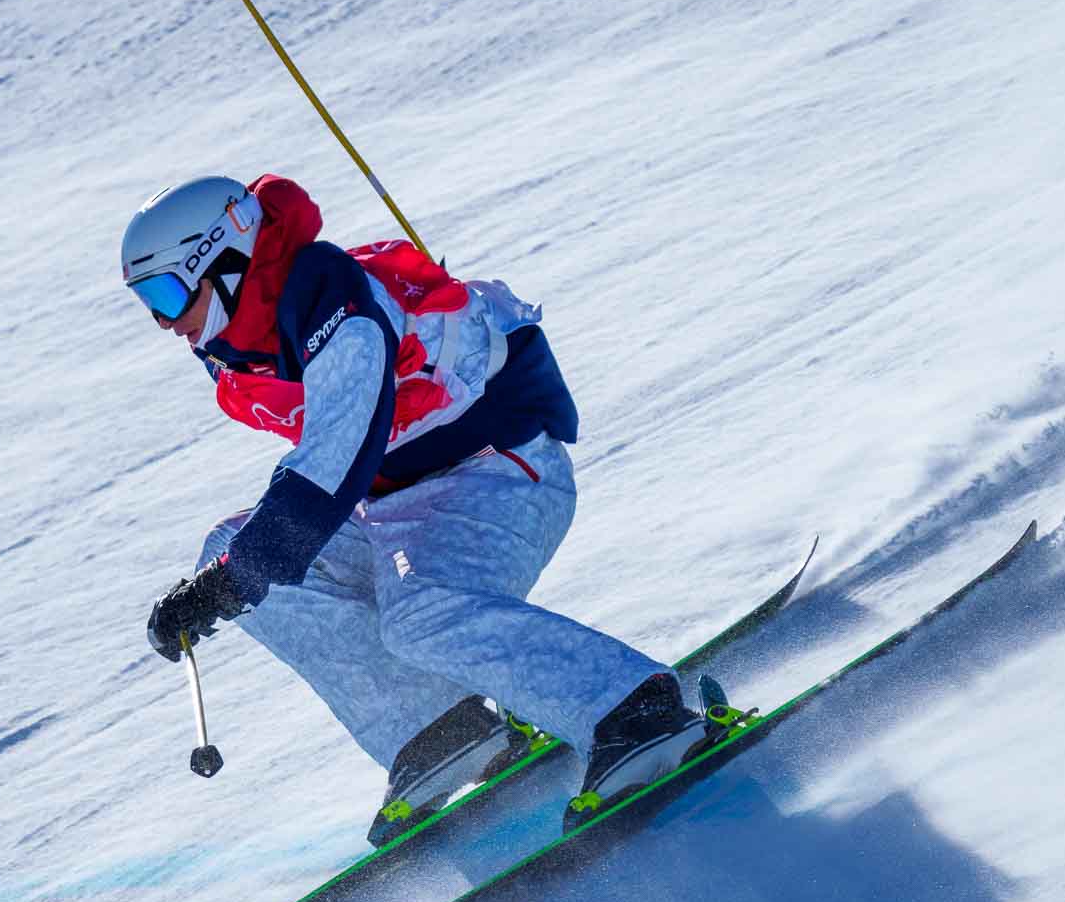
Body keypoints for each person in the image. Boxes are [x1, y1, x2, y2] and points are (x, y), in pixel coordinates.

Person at [124, 174, 718, 843]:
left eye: (170, 292)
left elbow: (335, 456)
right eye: (149, 302)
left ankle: (636, 712)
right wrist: (224, 576)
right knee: (229, 552)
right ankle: (440, 728)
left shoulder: (329, 296)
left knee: (415, 611)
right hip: (399, 505)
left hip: (498, 469)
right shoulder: (239, 347)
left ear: (226, 258)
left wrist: (237, 575)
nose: (167, 321)